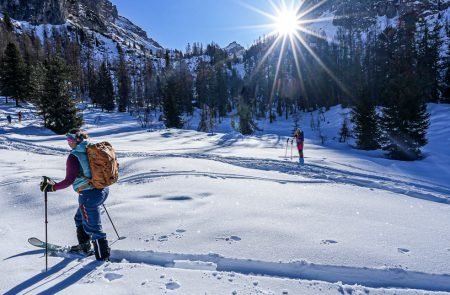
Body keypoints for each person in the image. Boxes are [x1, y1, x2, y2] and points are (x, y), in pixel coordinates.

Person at [40, 129, 110, 261]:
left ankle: (102, 259)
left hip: (89, 195)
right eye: (67, 140)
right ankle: (84, 247)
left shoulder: (74, 156)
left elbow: (68, 180)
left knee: (94, 229)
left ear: (77, 140)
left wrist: (52, 188)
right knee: (79, 218)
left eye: (70, 140)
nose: (68, 143)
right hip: (102, 190)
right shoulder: (91, 148)